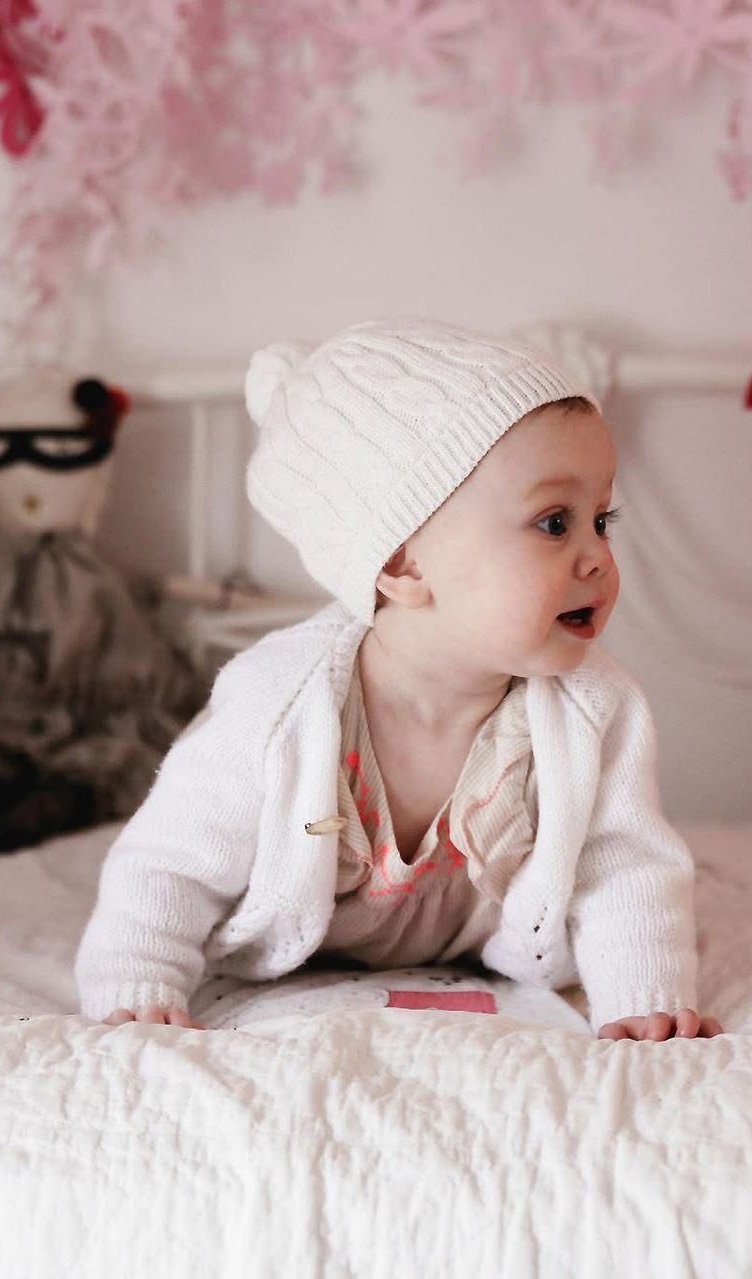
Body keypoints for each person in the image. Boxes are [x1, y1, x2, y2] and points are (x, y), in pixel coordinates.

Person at [75, 320, 718, 1041]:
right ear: (404, 565)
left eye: (602, 519)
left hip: (484, 949)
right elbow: (170, 861)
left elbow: (624, 867)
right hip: (295, 947)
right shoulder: (280, 703)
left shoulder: (594, 708)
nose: (598, 556)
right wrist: (137, 983)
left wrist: (644, 995)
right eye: (553, 522)